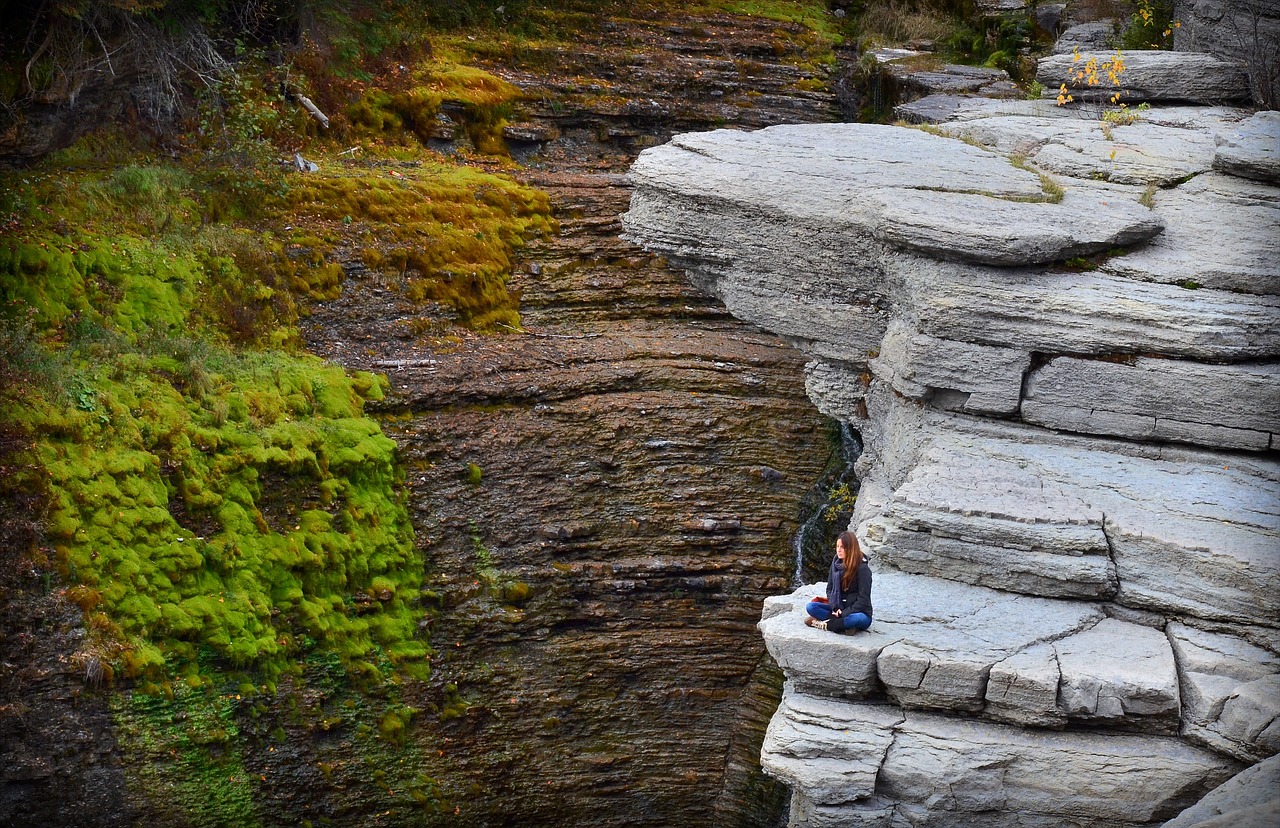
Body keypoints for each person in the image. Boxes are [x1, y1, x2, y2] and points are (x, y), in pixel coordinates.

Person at [804, 530, 872, 633]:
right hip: (838, 608)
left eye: (842, 547)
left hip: (858, 611)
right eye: (837, 546)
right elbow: (830, 589)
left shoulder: (863, 569)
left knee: (856, 619)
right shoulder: (836, 563)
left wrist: (843, 613)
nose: (839, 550)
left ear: (850, 548)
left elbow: (863, 599)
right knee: (811, 607)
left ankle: (827, 625)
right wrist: (835, 608)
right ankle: (845, 626)